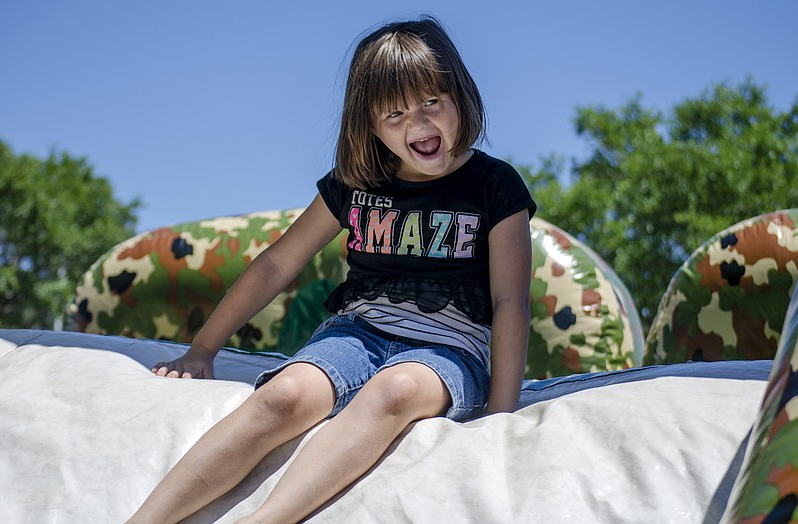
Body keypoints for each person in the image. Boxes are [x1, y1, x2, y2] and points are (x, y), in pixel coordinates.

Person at [127, 16, 535, 524]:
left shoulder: (494, 185)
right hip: (356, 333)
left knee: (395, 391)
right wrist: (202, 350)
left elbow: (509, 302)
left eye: (432, 101)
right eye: (395, 114)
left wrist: (499, 416)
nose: (420, 124)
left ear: (459, 95)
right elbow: (278, 263)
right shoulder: (355, 182)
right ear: (368, 125)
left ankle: (267, 520)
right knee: (285, 396)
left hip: (449, 350)